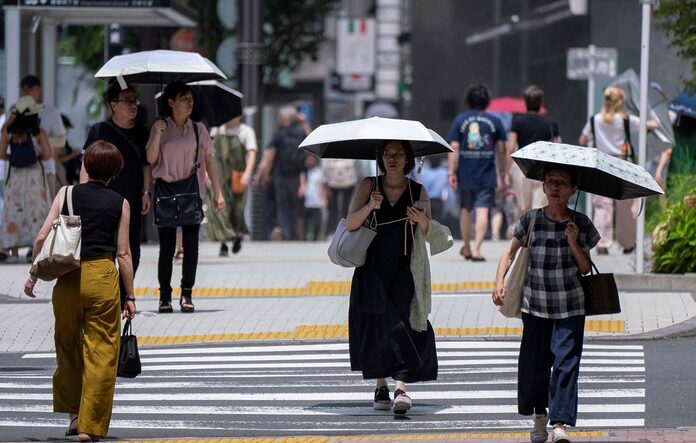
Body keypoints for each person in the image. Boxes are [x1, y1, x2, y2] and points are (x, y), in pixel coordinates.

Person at [23, 141, 137, 442]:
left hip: (69, 278)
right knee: (101, 353)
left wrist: (33, 276)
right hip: (102, 276)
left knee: (68, 346)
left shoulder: (66, 194)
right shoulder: (120, 203)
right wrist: (131, 296)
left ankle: (74, 415)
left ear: (86, 165)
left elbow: (42, 236)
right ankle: (90, 425)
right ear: (115, 171)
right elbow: (123, 254)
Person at [492, 166, 599, 443]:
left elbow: (585, 268)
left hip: (570, 306)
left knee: (565, 364)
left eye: (562, 183)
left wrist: (574, 242)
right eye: (551, 182)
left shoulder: (581, 223)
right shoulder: (530, 220)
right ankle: (540, 416)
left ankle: (560, 423)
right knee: (536, 366)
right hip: (535, 306)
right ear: (543, 186)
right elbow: (510, 251)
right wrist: (498, 281)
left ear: (573, 190)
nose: (555, 188)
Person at [347, 140, 449, 416]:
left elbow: (430, 231)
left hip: (405, 268)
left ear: (408, 159)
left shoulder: (418, 191)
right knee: (377, 324)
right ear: (380, 158)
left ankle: (401, 387)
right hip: (371, 268)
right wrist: (370, 206)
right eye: (387, 154)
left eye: (399, 154)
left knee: (403, 324)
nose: (393, 158)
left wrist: (421, 220)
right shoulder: (369, 185)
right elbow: (350, 223)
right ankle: (381, 384)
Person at [146, 82, 224, 314]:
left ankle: (186, 293)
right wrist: (157, 135)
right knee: (167, 248)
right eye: (184, 99)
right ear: (171, 103)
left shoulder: (199, 130)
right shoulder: (160, 127)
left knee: (191, 247)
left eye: (191, 99)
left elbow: (210, 162)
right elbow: (150, 160)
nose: (189, 103)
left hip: (191, 192)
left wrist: (217, 193)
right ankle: (165, 297)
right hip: (166, 193)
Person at [82, 82, 151, 308]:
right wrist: (84, 193)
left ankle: (121, 296)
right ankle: (110, 299)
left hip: (131, 200)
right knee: (106, 252)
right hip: (103, 200)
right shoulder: (99, 130)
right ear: (113, 105)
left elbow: (146, 165)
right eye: (127, 101)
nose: (134, 105)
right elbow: (87, 163)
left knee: (134, 252)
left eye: (135, 100)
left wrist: (146, 192)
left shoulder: (142, 132)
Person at [579, 86, 658, 255]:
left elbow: (583, 138)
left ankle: (602, 243)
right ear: (620, 102)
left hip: (601, 163)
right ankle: (628, 243)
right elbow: (653, 125)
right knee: (625, 203)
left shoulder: (595, 119)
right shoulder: (626, 120)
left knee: (602, 205)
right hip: (622, 161)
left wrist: (596, 135)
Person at [447, 83, 507, 261]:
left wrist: (451, 172)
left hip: (465, 173)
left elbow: (454, 147)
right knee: (483, 210)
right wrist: (504, 173)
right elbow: (502, 149)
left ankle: (466, 246)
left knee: (465, 209)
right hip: (486, 173)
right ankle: (477, 249)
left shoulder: (460, 120)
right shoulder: (495, 121)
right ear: (487, 100)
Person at [0, 96, 52, 263]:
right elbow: (47, 155)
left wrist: (13, 158)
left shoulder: (9, 132)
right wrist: (34, 156)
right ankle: (33, 250)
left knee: (14, 211)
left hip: (15, 177)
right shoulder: (38, 132)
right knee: (35, 211)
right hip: (34, 177)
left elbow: (1, 155)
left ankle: (13, 252)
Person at [255, 106, 311, 240]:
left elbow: (270, 157)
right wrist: (303, 123)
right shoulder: (301, 133)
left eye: (280, 117)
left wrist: (266, 175)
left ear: (285, 118)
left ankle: (285, 235)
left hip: (280, 176)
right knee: (296, 208)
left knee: (282, 207)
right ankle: (296, 236)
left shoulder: (279, 134)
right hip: (297, 176)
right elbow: (312, 142)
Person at [505, 85, 560, 218]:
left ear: (525, 102)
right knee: (539, 207)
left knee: (522, 206)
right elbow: (556, 147)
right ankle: (535, 236)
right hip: (542, 167)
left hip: (521, 166)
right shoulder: (550, 122)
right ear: (541, 102)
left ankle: (522, 236)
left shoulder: (517, 121)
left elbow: (511, 147)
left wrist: (507, 173)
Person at [206, 116, 257, 256]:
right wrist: (205, 172)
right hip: (219, 176)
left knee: (238, 209)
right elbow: (208, 154)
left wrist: (247, 173)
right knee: (221, 210)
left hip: (237, 176)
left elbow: (252, 153)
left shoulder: (245, 131)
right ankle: (223, 244)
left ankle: (238, 236)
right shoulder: (217, 131)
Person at [20, 75, 67, 199]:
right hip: (20, 168)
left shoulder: (51, 111)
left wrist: (40, 142)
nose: (26, 92)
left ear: (39, 90)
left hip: (45, 169)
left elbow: (62, 140)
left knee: (47, 209)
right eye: (23, 89)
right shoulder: (15, 111)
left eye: (30, 88)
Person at [323, 158, 358, 236]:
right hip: (339, 182)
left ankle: (336, 230)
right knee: (340, 207)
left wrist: (325, 181)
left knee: (336, 207)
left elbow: (325, 168)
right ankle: (342, 229)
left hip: (341, 182)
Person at [299, 153, 325, 241]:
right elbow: (302, 184)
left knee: (317, 223)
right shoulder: (305, 172)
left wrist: (324, 198)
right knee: (305, 222)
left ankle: (315, 238)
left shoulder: (320, 171)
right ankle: (305, 238)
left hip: (317, 202)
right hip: (307, 201)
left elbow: (323, 185)